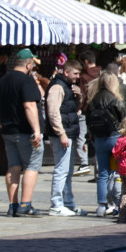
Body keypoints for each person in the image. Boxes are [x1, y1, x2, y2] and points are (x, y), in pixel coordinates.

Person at [0, 49, 44, 217]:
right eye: (32, 65)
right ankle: (25, 204)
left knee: (13, 166)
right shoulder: (27, 81)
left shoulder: (2, 81)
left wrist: (0, 123)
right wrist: (37, 130)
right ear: (28, 64)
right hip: (25, 131)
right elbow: (29, 106)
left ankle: (13, 205)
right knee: (32, 166)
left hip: (8, 131)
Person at [46, 60, 86, 216]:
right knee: (61, 170)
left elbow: (72, 109)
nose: (77, 77)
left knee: (68, 171)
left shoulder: (68, 86)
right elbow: (53, 112)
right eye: (75, 73)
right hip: (62, 133)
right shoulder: (57, 86)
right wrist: (61, 133)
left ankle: (68, 202)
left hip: (68, 132)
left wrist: (79, 96)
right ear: (66, 72)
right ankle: (56, 204)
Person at [85, 72, 126, 217]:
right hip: (115, 137)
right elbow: (125, 119)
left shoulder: (93, 100)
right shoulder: (115, 99)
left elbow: (88, 122)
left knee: (102, 174)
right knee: (118, 172)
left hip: (99, 139)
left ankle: (101, 206)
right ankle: (119, 202)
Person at [75, 50, 100, 176]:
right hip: (100, 110)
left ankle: (84, 163)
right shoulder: (102, 73)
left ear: (85, 62)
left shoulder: (83, 77)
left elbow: (82, 95)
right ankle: (98, 170)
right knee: (98, 139)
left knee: (81, 137)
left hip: (86, 111)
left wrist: (80, 108)